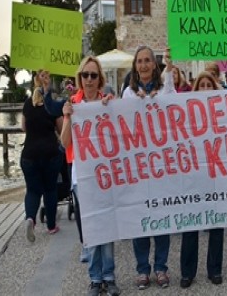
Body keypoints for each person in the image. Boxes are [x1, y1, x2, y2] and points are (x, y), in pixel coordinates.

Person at [59, 57, 120, 296]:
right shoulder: (73, 104)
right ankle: (95, 278)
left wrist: (112, 109)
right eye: (86, 75)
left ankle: (109, 275)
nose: (90, 80)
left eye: (94, 75)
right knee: (92, 229)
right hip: (82, 177)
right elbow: (65, 143)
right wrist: (66, 118)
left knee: (107, 227)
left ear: (100, 78)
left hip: (105, 176)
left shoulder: (108, 102)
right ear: (80, 78)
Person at [122, 46, 176, 289]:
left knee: (162, 217)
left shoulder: (163, 89)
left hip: (161, 167)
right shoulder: (127, 94)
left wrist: (169, 70)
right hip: (139, 168)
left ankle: (161, 267)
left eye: (147, 61)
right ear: (135, 66)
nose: (143, 65)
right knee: (140, 218)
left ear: (154, 65)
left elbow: (174, 102)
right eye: (139, 61)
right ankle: (143, 269)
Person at [179, 71, 225, 289]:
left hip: (216, 176)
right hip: (193, 177)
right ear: (195, 90)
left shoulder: (223, 112)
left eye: (209, 85)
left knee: (216, 223)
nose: (206, 89)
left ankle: (215, 269)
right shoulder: (186, 113)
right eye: (202, 85)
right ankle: (187, 272)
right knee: (191, 223)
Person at [21, 70, 63, 242]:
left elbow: (23, 127)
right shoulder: (51, 105)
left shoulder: (26, 104)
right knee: (50, 189)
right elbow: (61, 129)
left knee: (32, 190)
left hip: (29, 154)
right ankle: (51, 226)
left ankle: (30, 218)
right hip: (50, 153)